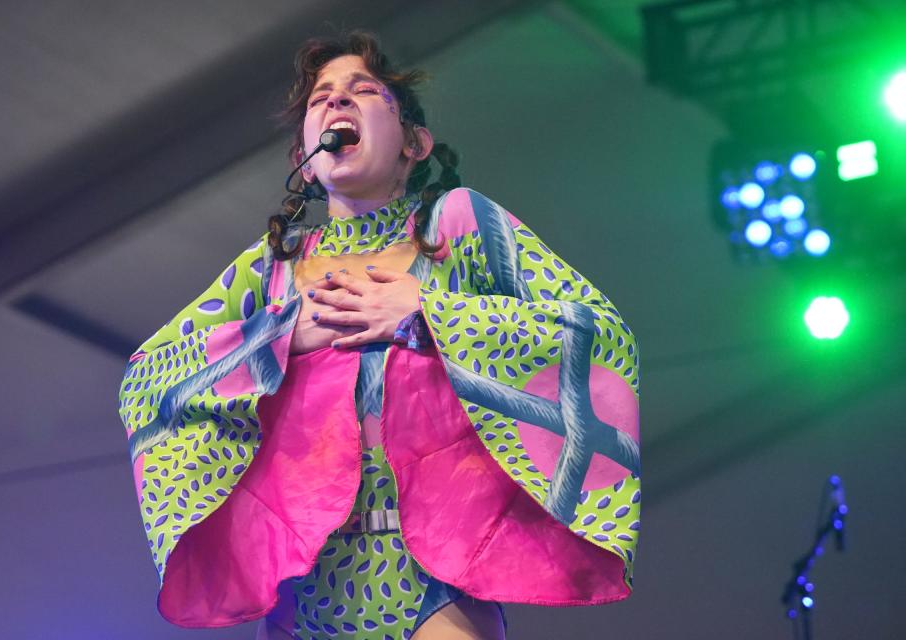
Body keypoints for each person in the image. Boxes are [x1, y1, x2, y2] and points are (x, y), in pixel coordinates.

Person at [119, 31, 641, 640]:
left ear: (415, 144)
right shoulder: (271, 270)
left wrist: (429, 314)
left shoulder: (459, 225)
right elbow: (149, 380)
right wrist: (279, 338)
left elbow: (596, 334)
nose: (337, 102)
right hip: (305, 590)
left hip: (434, 576)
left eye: (362, 91)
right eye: (321, 99)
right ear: (302, 160)